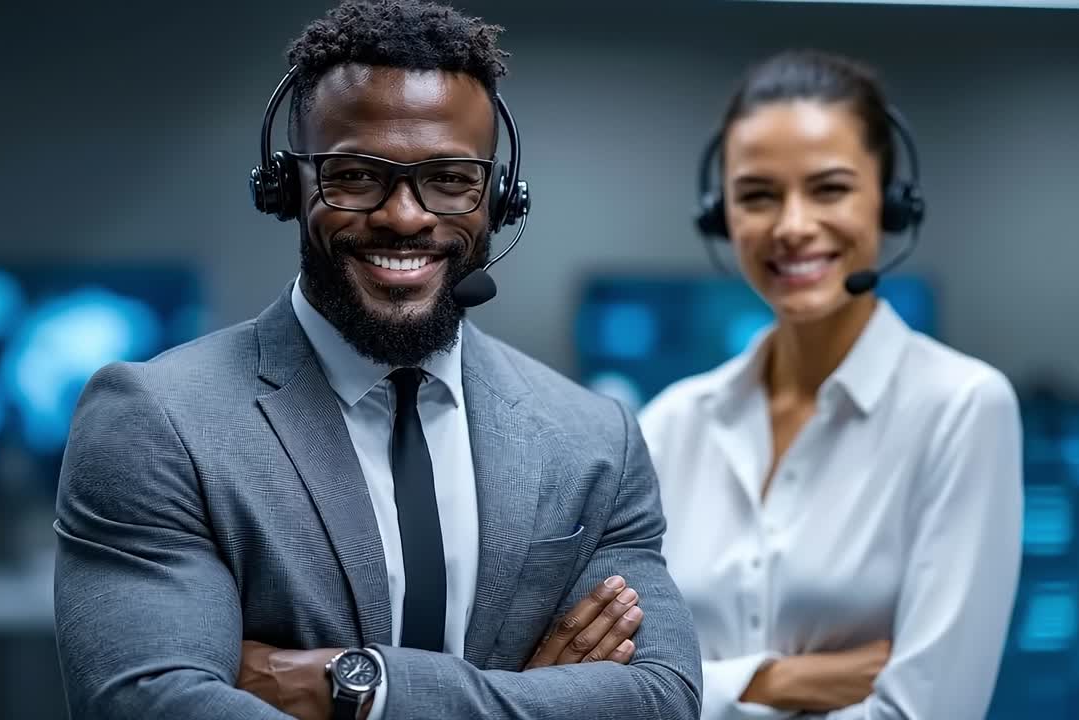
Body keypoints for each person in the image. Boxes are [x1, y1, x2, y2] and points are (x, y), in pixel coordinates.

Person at [52, 2, 702, 719]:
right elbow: (151, 705)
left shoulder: (594, 440)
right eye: (356, 175)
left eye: (451, 178)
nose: (405, 216)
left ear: (500, 199)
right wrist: (529, 698)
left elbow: (659, 697)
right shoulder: (156, 423)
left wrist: (362, 686)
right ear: (286, 187)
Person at [638, 49, 1023, 719]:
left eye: (829, 188)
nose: (792, 226)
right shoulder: (672, 424)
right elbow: (611, 688)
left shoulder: (963, 409)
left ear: (891, 202)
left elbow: (926, 712)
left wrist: (697, 689)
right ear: (719, 215)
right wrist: (776, 683)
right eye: (758, 195)